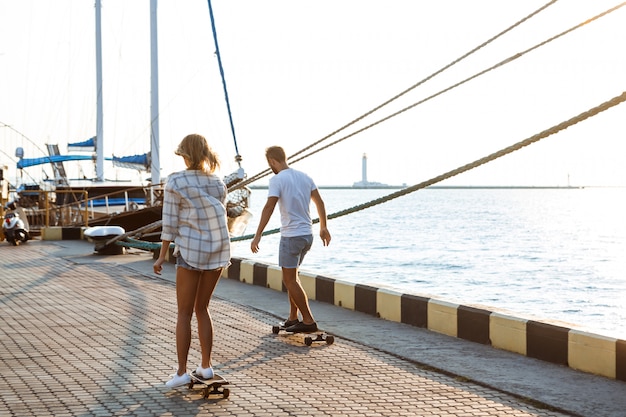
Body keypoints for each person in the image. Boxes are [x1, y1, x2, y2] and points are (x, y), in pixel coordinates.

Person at [153, 133, 231, 389]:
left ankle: (181, 372)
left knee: (184, 313)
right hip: (217, 252)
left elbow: (170, 222)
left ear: (185, 155)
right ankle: (206, 367)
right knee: (203, 309)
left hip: (190, 252)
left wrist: (162, 254)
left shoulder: (176, 181)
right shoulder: (218, 182)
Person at [250, 146, 331, 333]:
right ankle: (293, 317)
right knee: (293, 278)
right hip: (307, 235)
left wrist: (258, 235)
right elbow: (320, 202)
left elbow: (269, 207)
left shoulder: (277, 180)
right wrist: (323, 227)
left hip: (291, 236)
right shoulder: (305, 177)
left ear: (272, 161)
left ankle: (308, 320)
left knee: (290, 280)